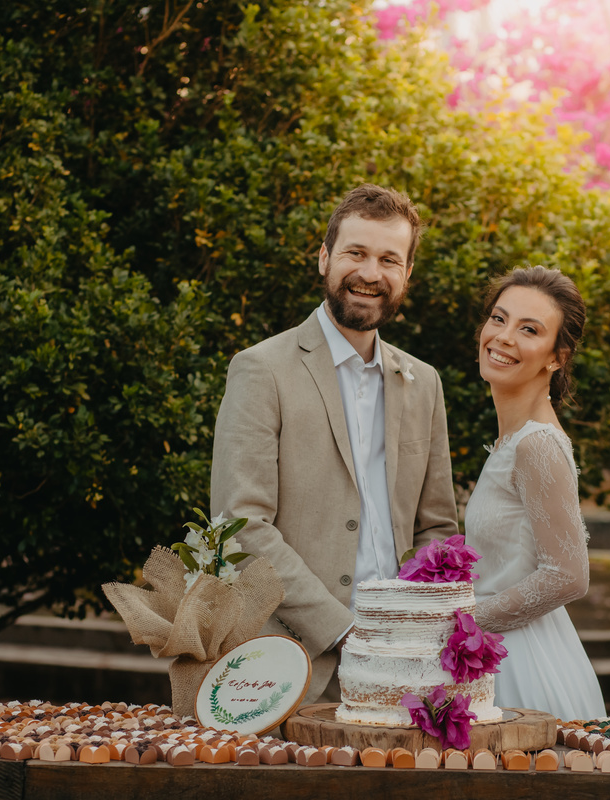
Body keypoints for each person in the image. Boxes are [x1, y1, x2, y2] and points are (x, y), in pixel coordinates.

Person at [210, 184, 460, 703]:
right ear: (325, 258)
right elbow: (239, 527)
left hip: (408, 666)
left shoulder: (424, 382)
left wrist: (416, 630)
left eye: (390, 259)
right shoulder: (262, 370)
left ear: (407, 274)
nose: (371, 273)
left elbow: (436, 527)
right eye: (356, 253)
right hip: (293, 665)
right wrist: (347, 632)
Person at [465, 265, 607, 720]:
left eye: (529, 329)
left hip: (522, 671)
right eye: (498, 319)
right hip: (494, 655)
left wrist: (458, 625)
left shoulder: (537, 445)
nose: (503, 337)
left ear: (556, 357)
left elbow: (567, 575)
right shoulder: (514, 439)